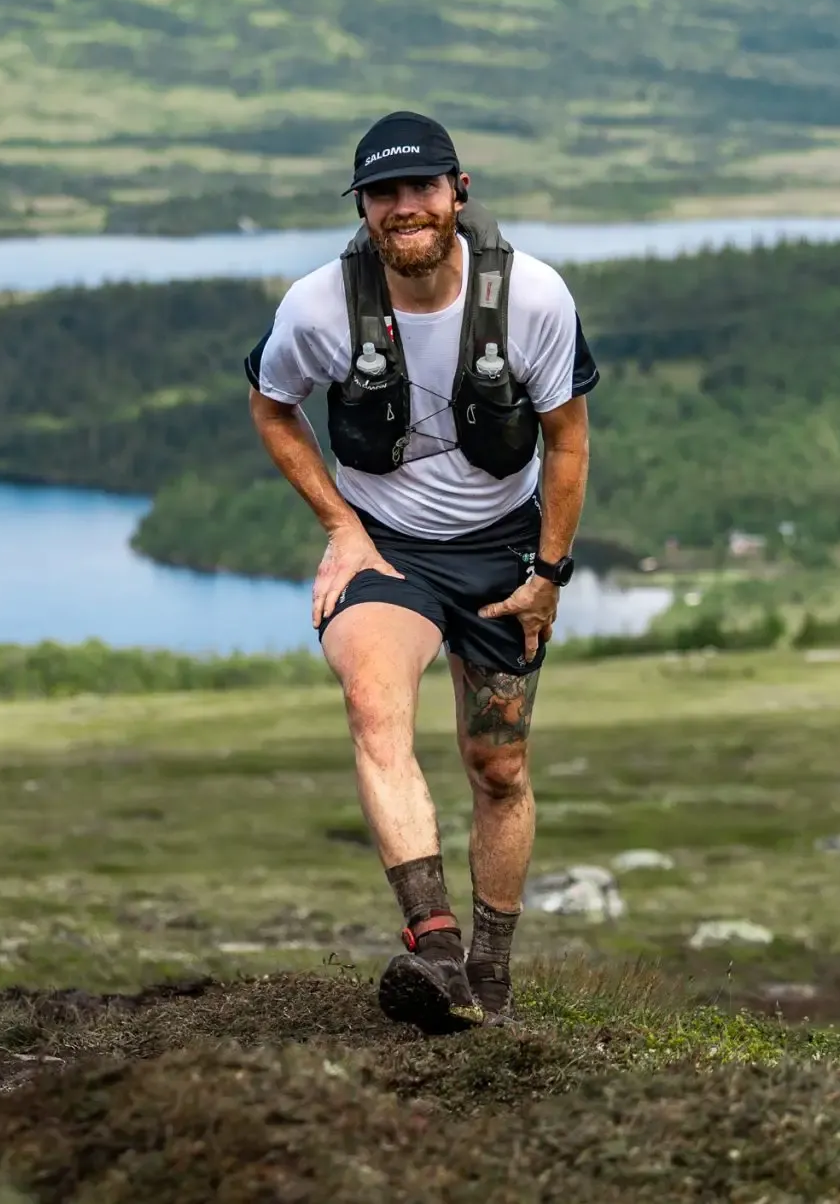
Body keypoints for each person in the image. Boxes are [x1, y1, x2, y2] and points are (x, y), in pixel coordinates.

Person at [243, 111, 594, 1032]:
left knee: (499, 765)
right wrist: (341, 528)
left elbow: (566, 443)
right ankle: (433, 951)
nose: (405, 208)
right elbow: (272, 404)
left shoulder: (533, 299)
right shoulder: (320, 306)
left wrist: (550, 572)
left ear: (458, 193)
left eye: (422, 189)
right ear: (362, 207)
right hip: (387, 549)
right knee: (372, 699)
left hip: (503, 550)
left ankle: (491, 976)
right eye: (383, 193)